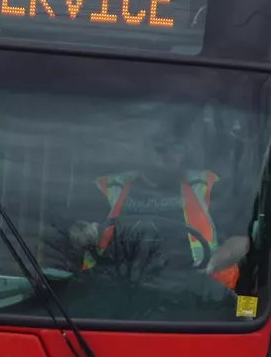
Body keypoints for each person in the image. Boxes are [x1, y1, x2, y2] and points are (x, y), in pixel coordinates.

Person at [68, 111, 251, 291]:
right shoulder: (108, 188)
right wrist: (85, 234)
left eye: (177, 148)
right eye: (161, 148)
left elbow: (243, 240)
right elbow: (74, 231)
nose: (172, 156)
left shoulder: (209, 186)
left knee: (250, 302)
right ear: (141, 149)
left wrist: (215, 262)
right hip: (111, 288)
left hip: (192, 293)